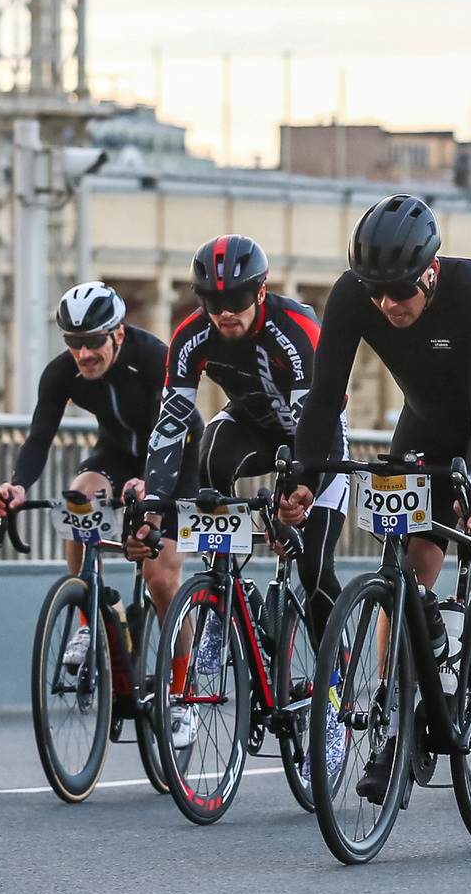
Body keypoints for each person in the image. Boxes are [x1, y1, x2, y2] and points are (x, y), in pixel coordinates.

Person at [283, 195, 471, 806]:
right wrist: (304, 478)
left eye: (399, 292)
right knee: (406, 566)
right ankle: (397, 725)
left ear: (430, 271)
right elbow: (323, 400)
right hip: (427, 419)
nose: (386, 305)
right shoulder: (354, 296)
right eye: (374, 292)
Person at [135, 235, 343, 640]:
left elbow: (317, 421)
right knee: (210, 452)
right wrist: (153, 509)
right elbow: (171, 426)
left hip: (316, 434)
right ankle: (224, 592)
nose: (226, 312)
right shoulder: (191, 337)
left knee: (314, 567)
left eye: (237, 298)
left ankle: (334, 671)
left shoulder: (295, 329)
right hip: (251, 426)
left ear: (260, 292)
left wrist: (301, 490)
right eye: (213, 302)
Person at [0, 281, 180, 605]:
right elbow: (39, 437)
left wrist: (150, 482)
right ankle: (88, 610)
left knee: (160, 579)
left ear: (118, 334)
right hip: (117, 453)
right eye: (74, 342)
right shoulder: (61, 373)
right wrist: (19, 485)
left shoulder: (153, 358)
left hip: (172, 458)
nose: (84, 354)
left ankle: (179, 640)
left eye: (94, 341)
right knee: (80, 498)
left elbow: (176, 431)